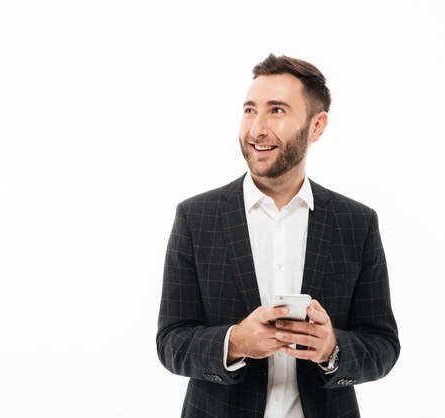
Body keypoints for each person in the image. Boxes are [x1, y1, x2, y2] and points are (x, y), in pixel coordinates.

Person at [156, 54, 400, 418]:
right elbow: (170, 341)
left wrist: (332, 348)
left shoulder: (356, 222)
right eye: (250, 110)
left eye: (277, 111)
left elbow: (383, 346)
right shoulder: (196, 217)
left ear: (316, 126)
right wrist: (235, 342)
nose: (257, 129)